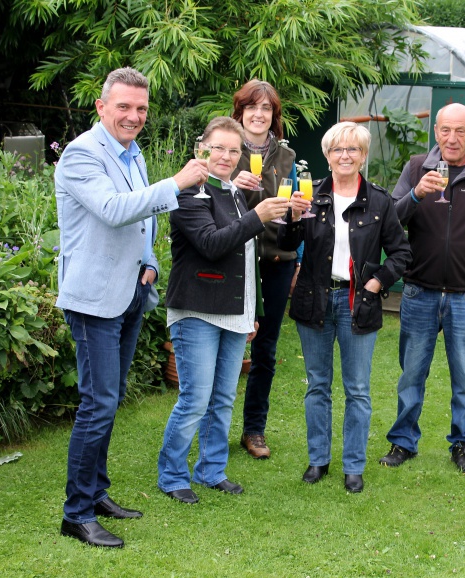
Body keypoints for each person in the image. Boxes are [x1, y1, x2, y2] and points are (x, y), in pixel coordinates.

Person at [55, 67, 209, 548]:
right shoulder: (82, 154)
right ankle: (76, 513)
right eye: (124, 106)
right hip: (93, 300)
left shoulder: (133, 153)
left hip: (129, 294)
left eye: (141, 108)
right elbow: (114, 209)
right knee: (97, 404)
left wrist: (150, 265)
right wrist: (177, 182)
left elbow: (142, 224)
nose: (134, 116)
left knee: (109, 399)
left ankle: (97, 493)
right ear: (101, 107)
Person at [157, 117, 290, 503]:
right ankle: (172, 475)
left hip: (234, 313)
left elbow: (247, 260)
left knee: (223, 398)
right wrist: (258, 216)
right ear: (202, 147)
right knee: (196, 399)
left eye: (235, 150)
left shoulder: (233, 192)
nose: (227, 156)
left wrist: (253, 310)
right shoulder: (187, 193)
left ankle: (211, 469)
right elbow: (212, 244)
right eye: (219, 148)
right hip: (196, 309)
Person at [379, 103, 465, 475]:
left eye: (460, 131)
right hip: (420, 290)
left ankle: (464, 445)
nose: (452, 138)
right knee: (411, 373)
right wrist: (418, 193)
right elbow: (392, 218)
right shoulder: (415, 168)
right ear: (436, 131)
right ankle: (403, 441)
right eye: (445, 130)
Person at [279, 122, 411, 493]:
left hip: (359, 301)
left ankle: (354, 465)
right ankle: (318, 460)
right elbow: (286, 242)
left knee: (357, 389)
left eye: (353, 149)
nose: (345, 156)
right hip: (314, 299)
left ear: (363, 155)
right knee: (318, 385)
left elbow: (402, 253)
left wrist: (375, 282)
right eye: (338, 149)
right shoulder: (310, 196)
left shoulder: (379, 201)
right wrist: (291, 216)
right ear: (327, 155)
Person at [230, 79, 299, 460]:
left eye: (267, 108)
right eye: (252, 107)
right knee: (225, 346)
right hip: (232, 259)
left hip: (274, 260)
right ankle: (214, 427)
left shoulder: (286, 157)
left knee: (266, 350)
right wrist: (227, 181)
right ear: (239, 111)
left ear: (274, 116)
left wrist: (296, 217)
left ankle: (254, 429)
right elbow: (200, 197)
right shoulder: (223, 148)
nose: (259, 114)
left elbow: (289, 208)